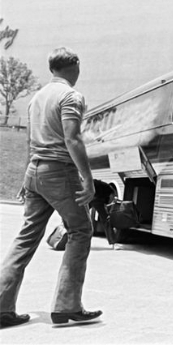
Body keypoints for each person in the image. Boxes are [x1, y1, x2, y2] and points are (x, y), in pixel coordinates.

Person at [0, 47, 102, 328]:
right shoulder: (71, 96)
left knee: (26, 237)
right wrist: (88, 178)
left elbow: (30, 141)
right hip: (59, 172)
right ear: (75, 66)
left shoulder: (37, 98)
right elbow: (73, 138)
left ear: (52, 68)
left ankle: (1, 307)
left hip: (35, 171)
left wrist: (26, 177)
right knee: (81, 230)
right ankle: (67, 306)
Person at [89, 179, 118, 246]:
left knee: (79, 215)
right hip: (97, 198)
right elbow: (110, 200)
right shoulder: (111, 191)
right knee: (106, 220)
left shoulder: (101, 184)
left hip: (90, 196)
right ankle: (112, 242)